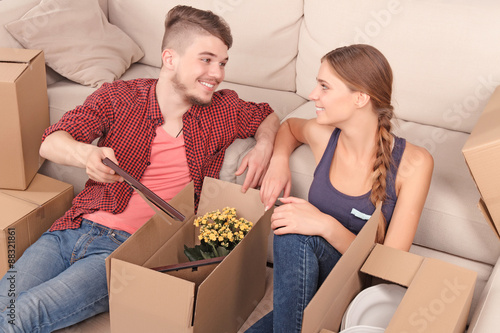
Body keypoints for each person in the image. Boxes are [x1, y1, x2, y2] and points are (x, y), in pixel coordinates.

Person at [0, 5, 279, 332]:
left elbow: (268, 116)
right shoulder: (119, 96)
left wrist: (264, 146)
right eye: (206, 59)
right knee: (5, 300)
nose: (217, 73)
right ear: (170, 58)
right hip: (70, 228)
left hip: (125, 253)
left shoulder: (222, 110)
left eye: (222, 63)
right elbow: (51, 142)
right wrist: (85, 154)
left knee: (24, 315)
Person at [246, 44, 433, 333]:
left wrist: (325, 225)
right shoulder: (325, 138)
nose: (312, 95)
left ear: (360, 97)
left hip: (358, 291)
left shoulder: (415, 163)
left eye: (324, 87)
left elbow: (387, 268)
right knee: (292, 224)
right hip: (313, 277)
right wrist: (279, 160)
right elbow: (290, 128)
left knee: (295, 230)